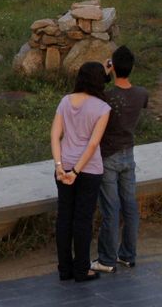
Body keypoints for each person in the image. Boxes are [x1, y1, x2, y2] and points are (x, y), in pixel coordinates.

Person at [50, 61, 110, 283]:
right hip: (88, 170)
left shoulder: (65, 101)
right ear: (99, 81)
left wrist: (60, 167)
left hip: (63, 167)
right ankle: (82, 269)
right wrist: (76, 171)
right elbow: (93, 145)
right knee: (83, 219)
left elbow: (55, 135)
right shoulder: (103, 108)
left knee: (64, 217)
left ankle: (64, 269)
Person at [92, 45, 149, 273]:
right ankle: (128, 254)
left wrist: (105, 74)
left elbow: (95, 91)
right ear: (132, 67)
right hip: (128, 154)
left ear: (113, 66)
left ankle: (107, 259)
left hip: (107, 157)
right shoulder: (142, 94)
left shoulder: (106, 97)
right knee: (130, 206)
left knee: (110, 209)